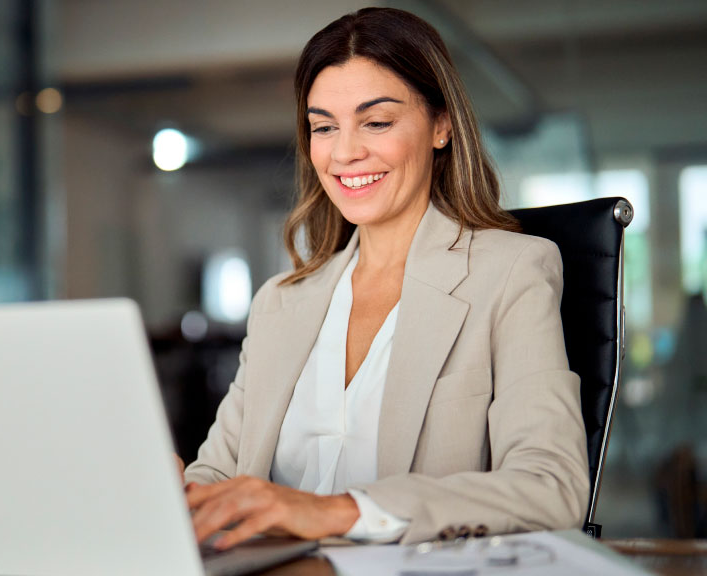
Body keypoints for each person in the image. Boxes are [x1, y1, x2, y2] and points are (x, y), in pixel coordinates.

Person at [181, 7, 589, 548]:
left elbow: (551, 487)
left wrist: (339, 512)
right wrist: (170, 491)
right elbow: (218, 479)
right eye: (324, 127)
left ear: (441, 125)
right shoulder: (281, 302)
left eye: (376, 122)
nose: (345, 152)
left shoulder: (510, 272)